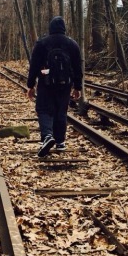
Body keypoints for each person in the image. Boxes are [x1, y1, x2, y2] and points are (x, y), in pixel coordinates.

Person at [26, 16, 82, 157]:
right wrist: (77, 87)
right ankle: (60, 142)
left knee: (44, 110)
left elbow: (34, 66)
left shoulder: (42, 43)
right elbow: (77, 67)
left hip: (46, 82)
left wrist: (31, 85)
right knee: (61, 111)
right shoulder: (72, 44)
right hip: (65, 83)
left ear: (50, 28)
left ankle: (47, 136)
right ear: (64, 28)